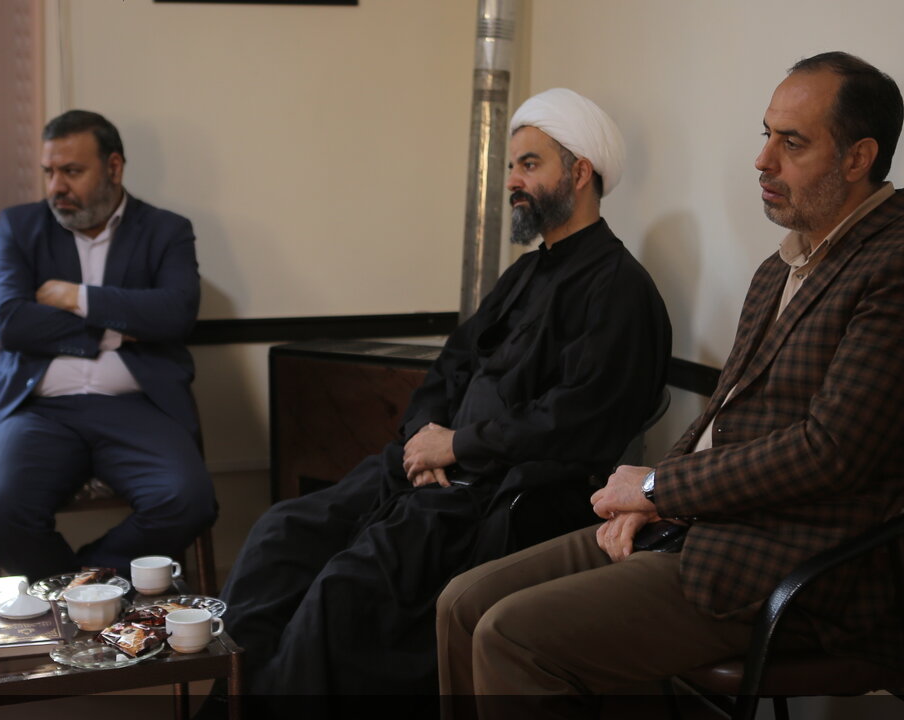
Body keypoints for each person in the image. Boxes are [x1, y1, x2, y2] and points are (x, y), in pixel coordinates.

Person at [437, 52, 904, 717]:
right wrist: (650, 499)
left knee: (511, 635)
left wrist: (658, 489)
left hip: (800, 569)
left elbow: (831, 451)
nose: (762, 160)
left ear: (858, 158)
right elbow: (720, 417)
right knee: (461, 603)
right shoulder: (779, 269)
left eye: (792, 143)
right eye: (766, 134)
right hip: (704, 527)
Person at [220, 89, 672, 696]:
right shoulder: (525, 273)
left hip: (495, 497)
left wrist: (457, 446)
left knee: (345, 588)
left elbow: (575, 420)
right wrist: (421, 440)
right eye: (511, 166)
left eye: (529, 164)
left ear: (580, 172)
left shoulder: (620, 290)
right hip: (429, 474)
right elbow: (451, 366)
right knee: (281, 534)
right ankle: (232, 700)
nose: (512, 181)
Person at [0, 110, 216, 581]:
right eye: (49, 172)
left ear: (114, 168)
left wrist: (74, 297)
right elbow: (11, 323)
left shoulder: (166, 230)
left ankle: (88, 580)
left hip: (138, 407)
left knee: (188, 500)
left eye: (72, 171)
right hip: (39, 411)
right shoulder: (19, 227)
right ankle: (75, 591)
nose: (56, 187)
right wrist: (120, 325)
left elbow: (176, 314)